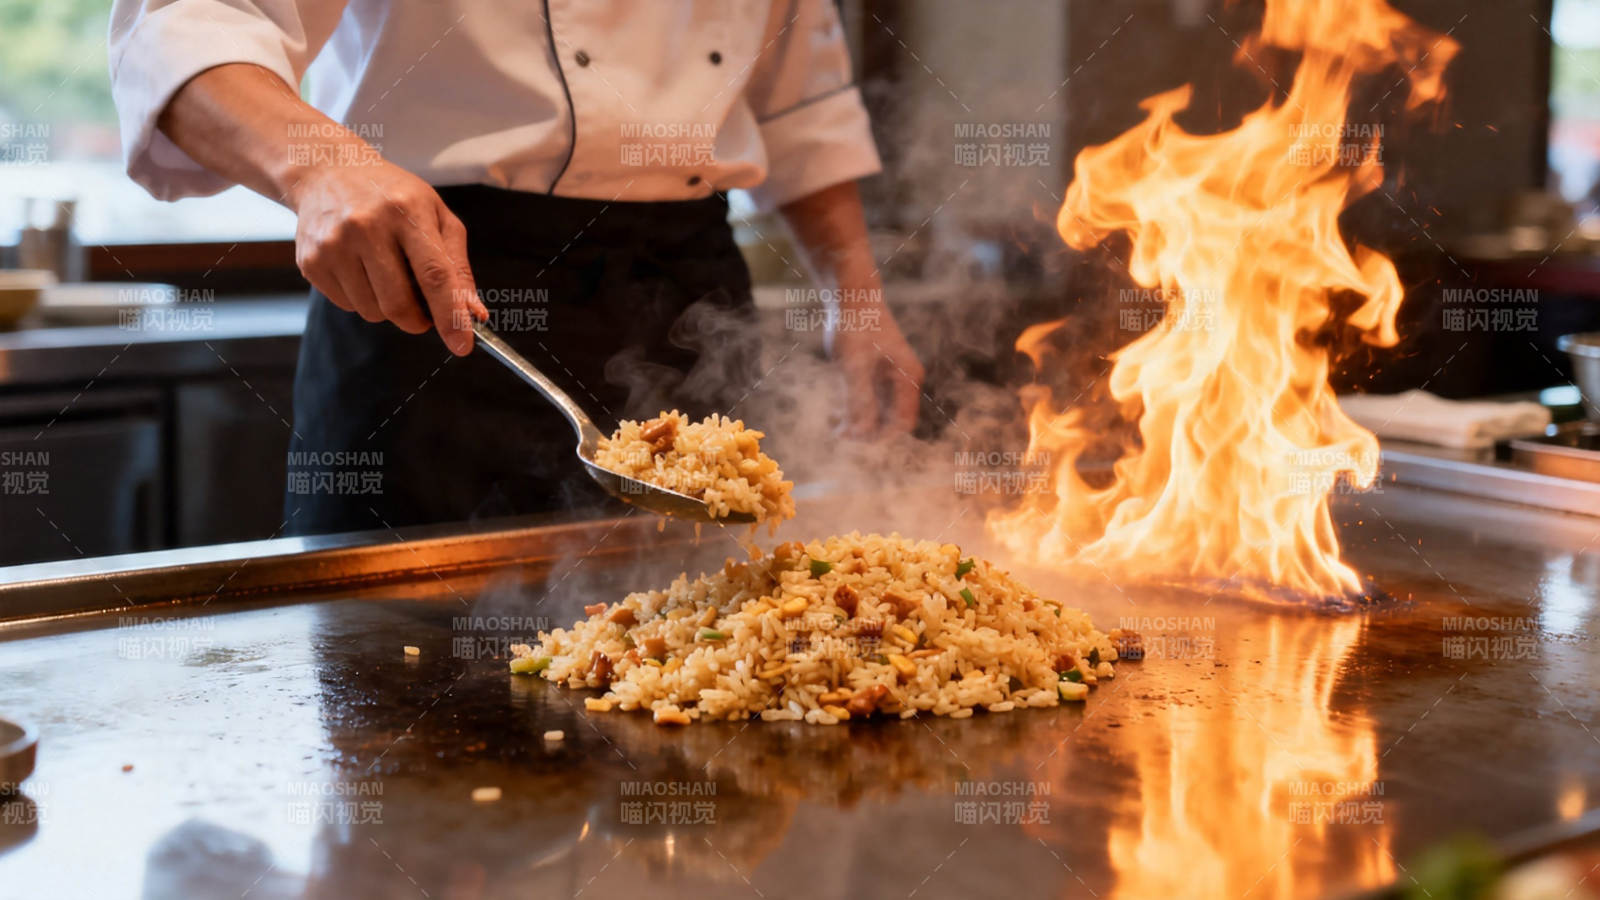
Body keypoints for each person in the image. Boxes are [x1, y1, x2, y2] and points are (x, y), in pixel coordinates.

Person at [108, 0, 924, 535]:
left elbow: (796, 101)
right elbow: (189, 24)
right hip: (432, 286)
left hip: (690, 295)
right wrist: (320, 168)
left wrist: (856, 297)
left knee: (707, 676)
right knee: (394, 691)